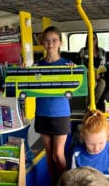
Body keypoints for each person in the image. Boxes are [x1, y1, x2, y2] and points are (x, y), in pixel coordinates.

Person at [34, 26, 75, 185]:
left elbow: (76, 85)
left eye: (54, 40)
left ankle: (67, 182)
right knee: (49, 154)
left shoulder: (68, 64)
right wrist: (24, 71)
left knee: (58, 154)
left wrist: (73, 72)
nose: (50, 44)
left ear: (60, 43)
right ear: (42, 43)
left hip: (60, 113)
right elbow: (27, 87)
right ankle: (53, 183)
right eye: (46, 40)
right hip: (42, 113)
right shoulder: (36, 66)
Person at [70, 110, 109, 185]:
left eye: (101, 143)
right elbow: (71, 180)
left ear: (107, 135)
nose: (96, 148)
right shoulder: (76, 153)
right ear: (83, 137)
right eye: (90, 144)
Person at [78, 32, 107, 107]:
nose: (92, 40)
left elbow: (103, 65)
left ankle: (92, 104)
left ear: (96, 40)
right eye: (90, 38)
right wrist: (91, 74)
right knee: (92, 83)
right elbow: (81, 66)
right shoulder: (83, 51)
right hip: (87, 75)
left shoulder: (101, 51)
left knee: (102, 83)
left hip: (99, 75)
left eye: (94, 38)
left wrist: (98, 75)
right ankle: (89, 106)